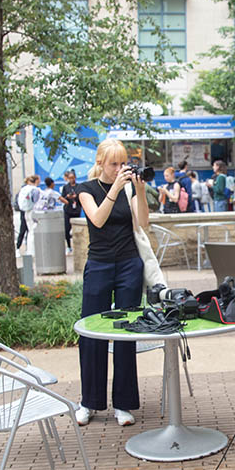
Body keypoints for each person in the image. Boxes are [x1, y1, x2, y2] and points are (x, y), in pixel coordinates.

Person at [74, 139, 150, 427]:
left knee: (126, 334)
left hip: (129, 264)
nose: (120, 169)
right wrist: (116, 187)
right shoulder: (86, 189)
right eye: (114, 164)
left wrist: (140, 191)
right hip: (100, 264)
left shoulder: (129, 187)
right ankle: (89, 402)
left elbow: (142, 222)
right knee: (92, 332)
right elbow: (97, 220)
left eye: (123, 163)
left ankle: (124, 403)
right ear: (100, 163)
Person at [15, 174, 41, 250]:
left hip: (24, 211)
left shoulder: (24, 189)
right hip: (32, 211)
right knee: (31, 230)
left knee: (23, 230)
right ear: (36, 181)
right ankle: (30, 248)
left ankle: (19, 248)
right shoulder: (34, 189)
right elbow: (36, 201)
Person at [60, 169, 80, 255]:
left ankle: (77, 246)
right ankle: (68, 246)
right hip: (68, 209)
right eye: (70, 178)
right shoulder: (66, 187)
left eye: (73, 178)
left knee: (76, 229)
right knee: (67, 229)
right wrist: (67, 197)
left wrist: (76, 197)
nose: (71, 179)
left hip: (76, 210)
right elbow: (62, 197)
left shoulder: (79, 186)